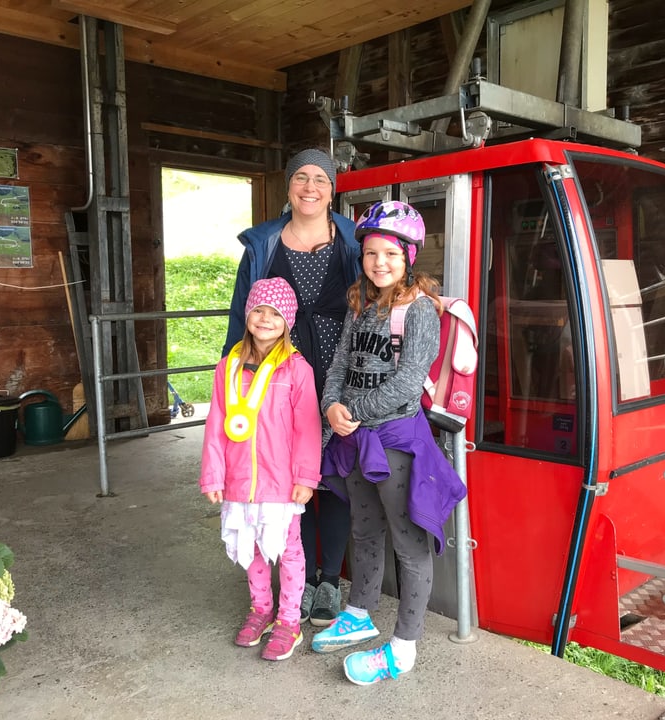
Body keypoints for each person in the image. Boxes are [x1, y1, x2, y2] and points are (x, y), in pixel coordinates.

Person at [310, 201, 467, 685]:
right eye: (371, 253)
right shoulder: (361, 303)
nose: (379, 263)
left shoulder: (418, 310)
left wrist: (350, 414)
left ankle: (404, 646)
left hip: (395, 441)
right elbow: (339, 363)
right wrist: (330, 405)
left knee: (408, 541)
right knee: (364, 529)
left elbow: (407, 383)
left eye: (391, 255)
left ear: (409, 258)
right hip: (354, 438)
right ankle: (360, 612)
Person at [222, 148, 360, 627]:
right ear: (288, 187)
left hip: (340, 365)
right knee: (287, 472)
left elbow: (384, 289)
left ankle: (326, 581)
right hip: (279, 370)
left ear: (332, 189)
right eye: (300, 177)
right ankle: (292, 580)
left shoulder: (351, 238)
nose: (310, 187)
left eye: (320, 179)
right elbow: (243, 311)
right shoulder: (262, 244)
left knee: (334, 471)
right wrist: (233, 374)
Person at [200, 277, 321, 661]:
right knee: (249, 548)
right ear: (247, 314)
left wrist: (305, 477)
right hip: (238, 480)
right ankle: (260, 610)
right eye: (258, 310)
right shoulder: (227, 367)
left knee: (289, 551)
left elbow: (307, 429)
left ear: (288, 320)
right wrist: (213, 474)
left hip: (281, 483)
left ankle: (289, 620)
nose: (265, 319)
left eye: (275, 313)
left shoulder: (297, 370)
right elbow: (216, 423)